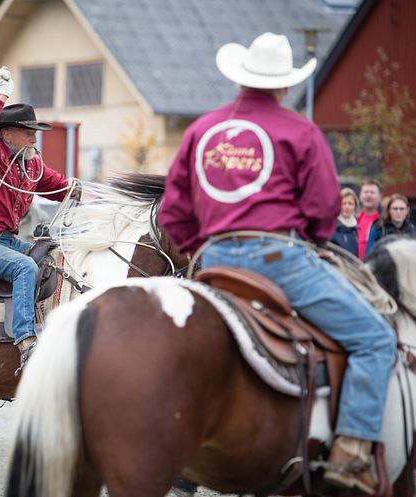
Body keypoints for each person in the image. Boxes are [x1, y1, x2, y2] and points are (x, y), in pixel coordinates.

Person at [158, 33, 396, 495]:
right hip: (280, 259)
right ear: (285, 86)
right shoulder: (300, 130)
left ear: (242, 77)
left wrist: (200, 248)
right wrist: (310, 241)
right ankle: (351, 453)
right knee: (375, 338)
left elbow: (172, 213)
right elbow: (325, 209)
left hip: (214, 260)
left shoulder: (201, 130)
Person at [0, 66, 76, 368]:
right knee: (25, 267)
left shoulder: (32, 166)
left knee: (56, 258)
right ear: (7, 133)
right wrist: (1, 94)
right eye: (28, 132)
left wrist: (85, 192)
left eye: (34, 132)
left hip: (6, 241)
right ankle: (26, 341)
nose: (33, 138)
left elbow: (62, 187)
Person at [356, 179, 382, 260]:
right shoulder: (353, 220)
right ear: (360, 195)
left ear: (380, 197)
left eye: (372, 192)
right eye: (365, 192)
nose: (368, 195)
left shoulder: (383, 222)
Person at [330, 188, 359, 256]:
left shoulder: (360, 226)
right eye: (344, 203)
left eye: (350, 204)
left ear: (355, 206)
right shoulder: (332, 226)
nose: (347, 207)